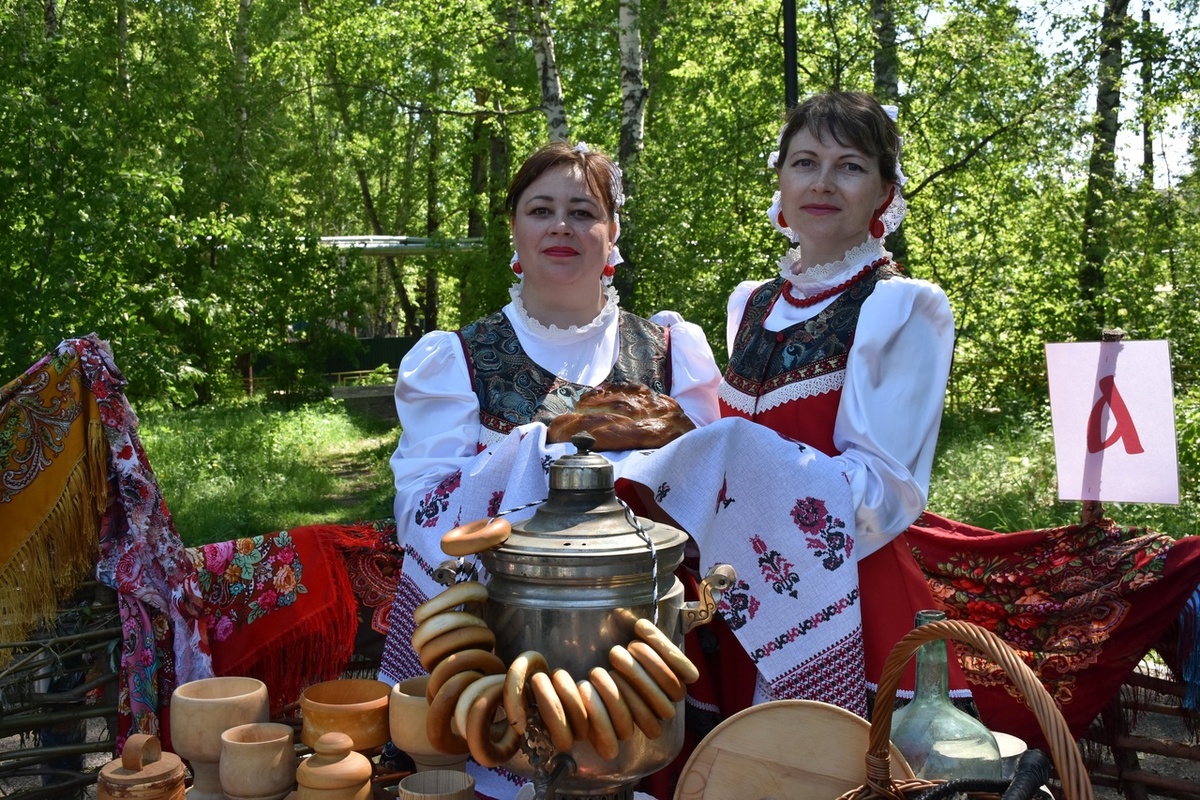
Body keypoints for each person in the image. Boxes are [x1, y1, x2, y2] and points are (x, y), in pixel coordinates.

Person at [378, 140, 722, 799]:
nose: (561, 226)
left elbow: (711, 496)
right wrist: (530, 455)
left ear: (612, 233)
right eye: (541, 210)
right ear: (515, 229)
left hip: (643, 652)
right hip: (508, 645)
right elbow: (423, 512)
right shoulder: (459, 359)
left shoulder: (673, 352)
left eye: (582, 211)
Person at [706, 90, 966, 719]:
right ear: (780, 179)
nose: (822, 183)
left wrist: (736, 476)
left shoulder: (901, 308)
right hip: (737, 597)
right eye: (804, 162)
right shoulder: (752, 302)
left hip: (846, 603)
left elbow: (885, 489)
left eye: (849, 166)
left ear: (883, 191)